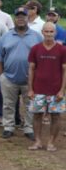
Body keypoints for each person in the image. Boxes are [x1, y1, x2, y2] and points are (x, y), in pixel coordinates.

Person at [0, 6, 43, 140]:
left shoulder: (37, 36)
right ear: (14, 18)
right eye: (18, 16)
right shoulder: (6, 36)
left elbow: (41, 58)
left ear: (28, 18)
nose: (21, 19)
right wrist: (2, 75)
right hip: (9, 78)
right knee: (8, 104)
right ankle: (8, 127)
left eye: (23, 16)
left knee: (30, 105)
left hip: (30, 80)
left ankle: (29, 128)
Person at [27, 22, 66, 151]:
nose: (49, 34)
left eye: (51, 31)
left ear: (55, 33)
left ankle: (51, 142)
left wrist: (62, 90)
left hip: (55, 90)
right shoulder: (35, 49)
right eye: (46, 31)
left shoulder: (62, 50)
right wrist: (30, 89)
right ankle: (38, 141)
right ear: (42, 32)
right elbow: (31, 69)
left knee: (56, 116)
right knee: (37, 115)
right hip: (38, 89)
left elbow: (65, 70)